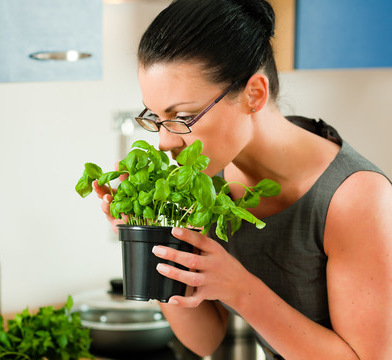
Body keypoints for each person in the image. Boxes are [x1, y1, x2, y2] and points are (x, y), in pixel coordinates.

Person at [92, 0, 392, 359]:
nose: (166, 141)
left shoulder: (356, 198)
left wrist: (241, 289)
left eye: (183, 116)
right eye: (155, 117)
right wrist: (150, 249)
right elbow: (207, 339)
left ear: (254, 94)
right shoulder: (205, 175)